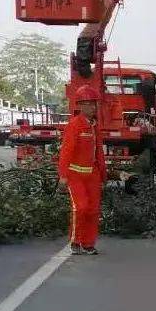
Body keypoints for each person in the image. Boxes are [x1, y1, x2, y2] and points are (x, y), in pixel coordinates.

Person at [58, 84, 107, 255]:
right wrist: (63, 175)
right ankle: (76, 241)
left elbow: (99, 152)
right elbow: (66, 151)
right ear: (80, 105)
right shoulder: (74, 125)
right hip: (75, 174)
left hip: (92, 174)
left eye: (94, 104)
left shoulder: (94, 126)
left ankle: (88, 243)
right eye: (89, 104)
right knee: (81, 207)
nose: (93, 107)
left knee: (93, 209)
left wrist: (103, 175)